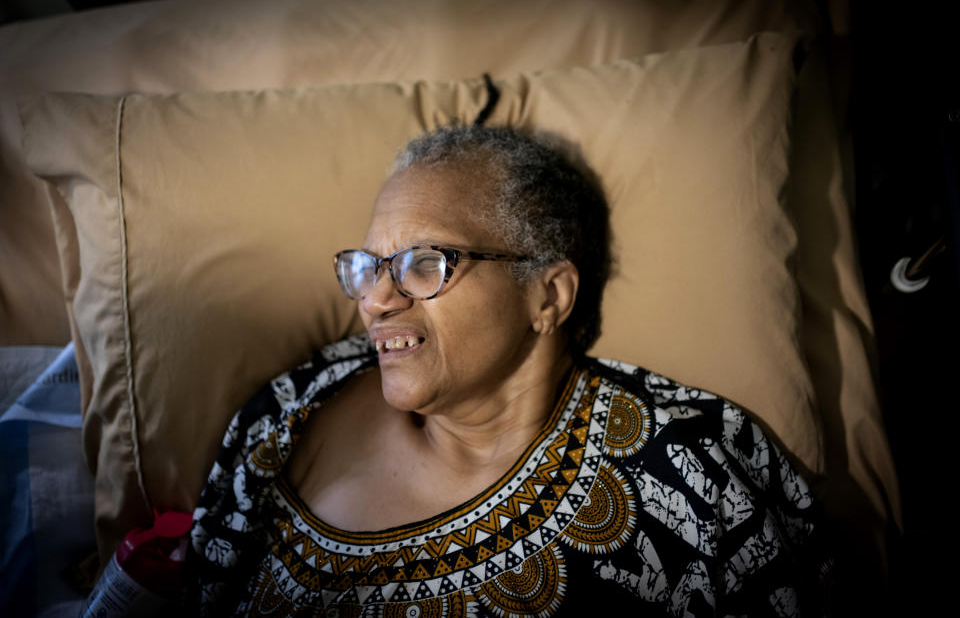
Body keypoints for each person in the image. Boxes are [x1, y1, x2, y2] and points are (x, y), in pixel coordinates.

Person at [184, 125, 830, 616]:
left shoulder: (693, 471)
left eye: (423, 262)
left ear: (547, 297)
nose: (376, 301)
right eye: (368, 267)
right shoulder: (289, 411)